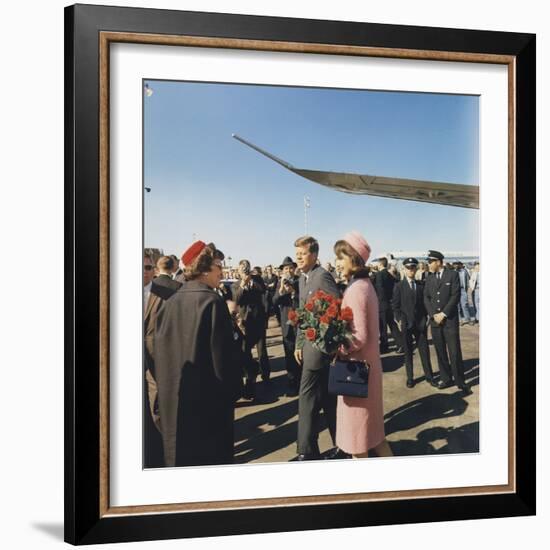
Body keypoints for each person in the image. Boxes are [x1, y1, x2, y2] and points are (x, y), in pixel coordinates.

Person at [154, 241, 242, 467]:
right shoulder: (212, 302)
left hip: (174, 402)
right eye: (218, 265)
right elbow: (223, 362)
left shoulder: (171, 302)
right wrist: (233, 392)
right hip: (208, 407)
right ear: (204, 268)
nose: (222, 271)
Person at [333, 232, 393, 458]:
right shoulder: (365, 285)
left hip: (356, 375)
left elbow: (358, 336)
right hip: (368, 371)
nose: (337, 263)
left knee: (357, 444)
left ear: (355, 259)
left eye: (341, 257)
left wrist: (336, 347)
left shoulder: (357, 289)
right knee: (375, 438)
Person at [293, 236, 340, 460]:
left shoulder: (322, 276)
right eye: (297, 254)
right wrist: (299, 343)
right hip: (309, 349)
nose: (298, 258)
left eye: (301, 254)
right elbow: (303, 314)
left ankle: (306, 451)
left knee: (307, 399)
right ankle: (342, 444)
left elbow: (337, 312)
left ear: (313, 254)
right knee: (329, 401)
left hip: (319, 352)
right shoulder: (303, 279)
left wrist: (326, 346)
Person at [424, 250, 472, 396]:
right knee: (440, 351)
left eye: (431, 261)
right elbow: (426, 298)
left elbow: (455, 295)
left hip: (449, 320)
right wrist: (433, 314)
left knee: (454, 351)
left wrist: (443, 313)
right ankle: (446, 379)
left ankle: (460, 381)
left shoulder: (452, 275)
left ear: (438, 262)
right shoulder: (430, 278)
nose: (429, 264)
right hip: (435, 322)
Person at [391, 257, 436, 389]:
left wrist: (428, 316)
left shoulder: (421, 285)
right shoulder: (399, 286)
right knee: (408, 352)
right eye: (408, 268)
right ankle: (410, 378)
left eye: (413, 268)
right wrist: (399, 319)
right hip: (406, 324)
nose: (411, 270)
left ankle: (430, 376)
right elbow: (395, 305)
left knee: (424, 351)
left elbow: (425, 303)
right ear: (404, 270)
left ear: (416, 269)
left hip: (420, 323)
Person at [232, 259, 269, 398]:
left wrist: (252, 282)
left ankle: (266, 377)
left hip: (258, 321)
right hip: (244, 323)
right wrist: (243, 284)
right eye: (242, 269)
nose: (245, 271)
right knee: (245, 352)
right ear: (238, 270)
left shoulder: (257, 279)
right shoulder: (236, 285)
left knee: (262, 352)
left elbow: (263, 291)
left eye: (246, 269)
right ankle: (250, 378)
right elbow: (236, 299)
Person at [143, 253, 165, 468]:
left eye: (149, 267)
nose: (145, 271)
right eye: (140, 267)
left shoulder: (164, 295)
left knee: (156, 409)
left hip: (154, 362)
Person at [272, 256, 301, 395]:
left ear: (294, 269)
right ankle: (292, 382)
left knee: (301, 353)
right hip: (286, 325)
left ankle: (302, 382)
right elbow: (274, 302)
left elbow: (303, 301)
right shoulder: (280, 283)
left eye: (290, 268)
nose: (288, 270)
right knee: (289, 355)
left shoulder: (300, 281)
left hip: (299, 324)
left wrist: (294, 292)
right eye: (286, 268)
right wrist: (282, 290)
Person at [374, 257, 403, 353]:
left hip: (381, 304)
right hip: (389, 303)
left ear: (381, 264)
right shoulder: (389, 274)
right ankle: (401, 344)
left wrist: (379, 301)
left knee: (382, 327)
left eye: (378, 264)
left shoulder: (379, 275)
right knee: (392, 325)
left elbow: (380, 289)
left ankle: (384, 347)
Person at [453, 261, 471, 325]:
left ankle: (467, 319)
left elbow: (467, 280)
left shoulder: (464, 271)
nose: (456, 266)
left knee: (464, 305)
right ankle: (459, 320)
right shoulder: (453, 272)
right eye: (455, 264)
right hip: (455, 290)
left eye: (457, 264)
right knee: (457, 306)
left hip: (463, 289)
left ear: (460, 265)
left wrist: (467, 288)